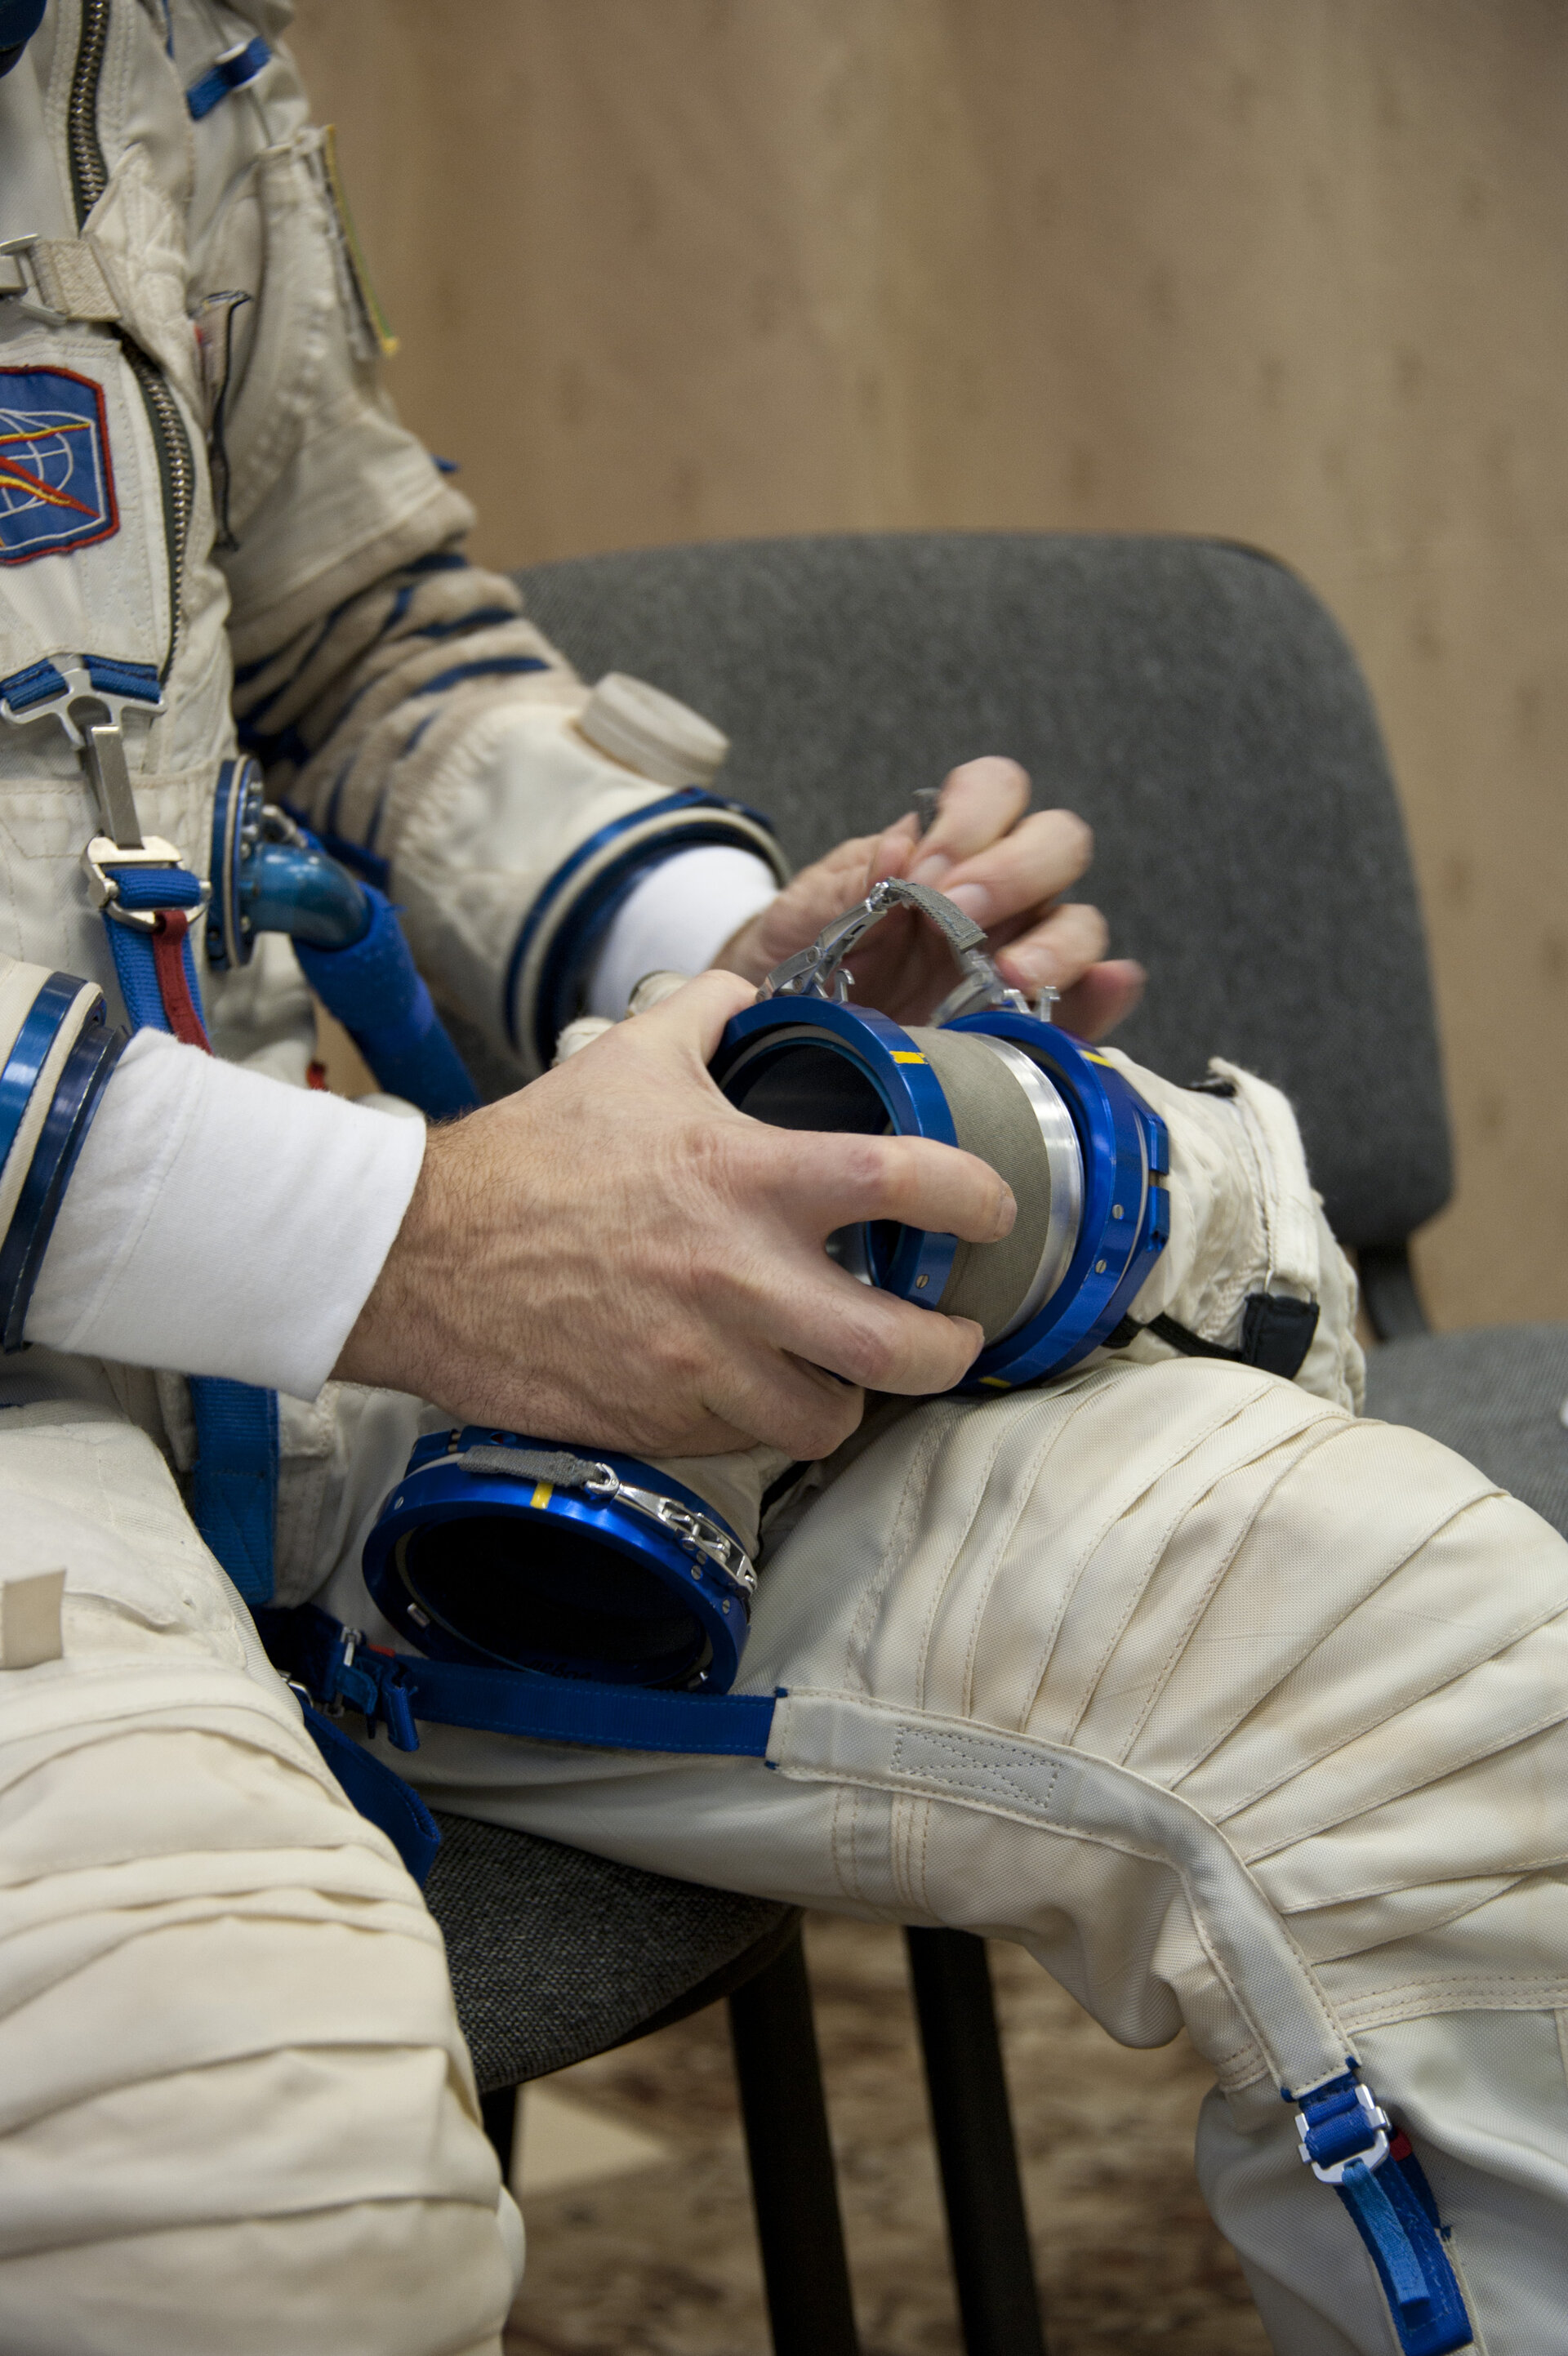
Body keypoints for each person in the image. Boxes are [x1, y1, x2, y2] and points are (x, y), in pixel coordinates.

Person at [0, 7, 1563, 2354]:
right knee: (244, 2182)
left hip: (321, 1323)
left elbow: (343, 635)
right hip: (160, 1348)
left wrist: (702, 966)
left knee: (1449, 1705)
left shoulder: (147, 47)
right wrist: (415, 1245)